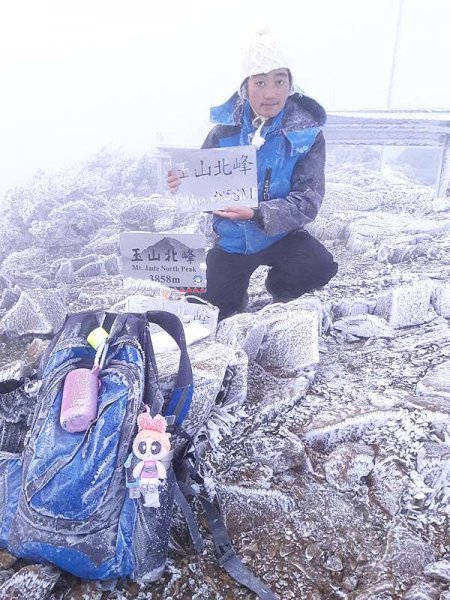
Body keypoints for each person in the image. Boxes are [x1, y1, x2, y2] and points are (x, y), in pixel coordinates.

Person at [168, 28, 338, 320]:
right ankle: (234, 295)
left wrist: (258, 213)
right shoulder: (224, 132)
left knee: (319, 265)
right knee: (213, 308)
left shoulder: (306, 134)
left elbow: (309, 201)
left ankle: (281, 288)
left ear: (290, 84)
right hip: (232, 241)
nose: (270, 93)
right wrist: (181, 184)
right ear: (245, 87)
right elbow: (204, 190)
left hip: (281, 236)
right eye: (260, 82)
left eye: (279, 81)